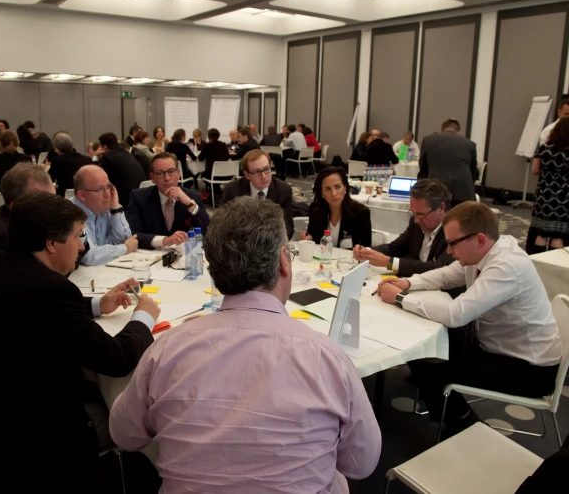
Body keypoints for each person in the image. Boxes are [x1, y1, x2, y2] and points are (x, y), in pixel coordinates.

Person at [109, 197, 381, 492]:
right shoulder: (327, 357)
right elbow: (361, 464)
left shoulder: (167, 349)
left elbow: (125, 435)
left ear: (214, 268)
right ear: (283, 262)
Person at [0, 192, 160, 494]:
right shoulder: (50, 290)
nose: (82, 246)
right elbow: (117, 359)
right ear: (51, 243)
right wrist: (143, 317)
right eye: (77, 236)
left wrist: (98, 303)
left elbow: (35, 307)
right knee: (137, 417)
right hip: (20, 445)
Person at [377, 202, 562, 435]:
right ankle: (444, 406)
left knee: (435, 369)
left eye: (453, 243)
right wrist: (408, 283)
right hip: (499, 345)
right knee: (420, 348)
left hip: (529, 369)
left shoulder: (507, 266)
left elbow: (456, 314)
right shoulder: (483, 254)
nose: (448, 250)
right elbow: (445, 276)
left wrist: (401, 298)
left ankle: (463, 422)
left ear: (480, 239)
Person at [353, 178, 454, 276]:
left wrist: (389, 262)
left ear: (441, 208)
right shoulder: (416, 222)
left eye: (421, 215)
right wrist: (367, 252)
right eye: (413, 213)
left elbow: (437, 269)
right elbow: (396, 248)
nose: (416, 220)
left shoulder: (455, 230)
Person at [0, 163, 55, 273]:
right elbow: (43, 276)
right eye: (44, 202)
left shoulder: (20, 221)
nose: (54, 207)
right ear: (17, 206)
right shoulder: (3, 236)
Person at [125, 152, 210, 250]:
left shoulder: (191, 197)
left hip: (182, 255)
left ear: (178, 174)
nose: (167, 178)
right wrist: (164, 240)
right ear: (152, 178)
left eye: (171, 171)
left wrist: (190, 204)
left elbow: (206, 230)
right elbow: (132, 233)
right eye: (160, 173)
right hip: (149, 255)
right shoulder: (139, 197)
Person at [529, 118, 569, 252]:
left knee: (541, 233)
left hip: (543, 197)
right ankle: (552, 266)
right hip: (562, 200)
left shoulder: (543, 149)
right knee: (557, 236)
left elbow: (535, 170)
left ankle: (538, 263)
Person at [71, 165, 139, 266]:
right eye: (100, 189)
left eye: (108, 187)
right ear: (82, 195)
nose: (107, 194)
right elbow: (88, 255)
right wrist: (125, 248)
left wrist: (116, 209)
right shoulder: (71, 214)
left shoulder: (103, 208)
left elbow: (125, 240)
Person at [221, 149, 294, 238]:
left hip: (271, 244)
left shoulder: (283, 190)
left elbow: (288, 229)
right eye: (257, 172)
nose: (264, 176)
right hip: (242, 244)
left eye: (267, 169)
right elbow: (225, 226)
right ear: (247, 174)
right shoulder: (232, 190)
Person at [300, 167, 372, 248]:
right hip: (321, 258)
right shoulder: (315, 209)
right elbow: (312, 238)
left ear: (345, 187)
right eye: (327, 189)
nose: (333, 193)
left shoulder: (361, 213)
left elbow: (365, 249)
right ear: (321, 193)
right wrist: (308, 240)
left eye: (338, 187)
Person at [418, 118, 479, 207]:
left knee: (437, 219)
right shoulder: (470, 144)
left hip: (436, 191)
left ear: (442, 130)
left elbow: (423, 170)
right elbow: (473, 173)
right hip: (464, 193)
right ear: (459, 132)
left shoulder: (428, 141)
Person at [96, 132, 146, 209]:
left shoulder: (109, 157)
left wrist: (95, 158)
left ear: (105, 147)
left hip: (125, 199)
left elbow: (97, 175)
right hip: (140, 193)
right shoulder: (125, 153)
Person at [49, 132, 92, 197]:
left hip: (64, 197)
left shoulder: (57, 161)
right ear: (71, 145)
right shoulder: (86, 160)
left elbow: (50, 179)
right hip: (84, 196)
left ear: (56, 149)